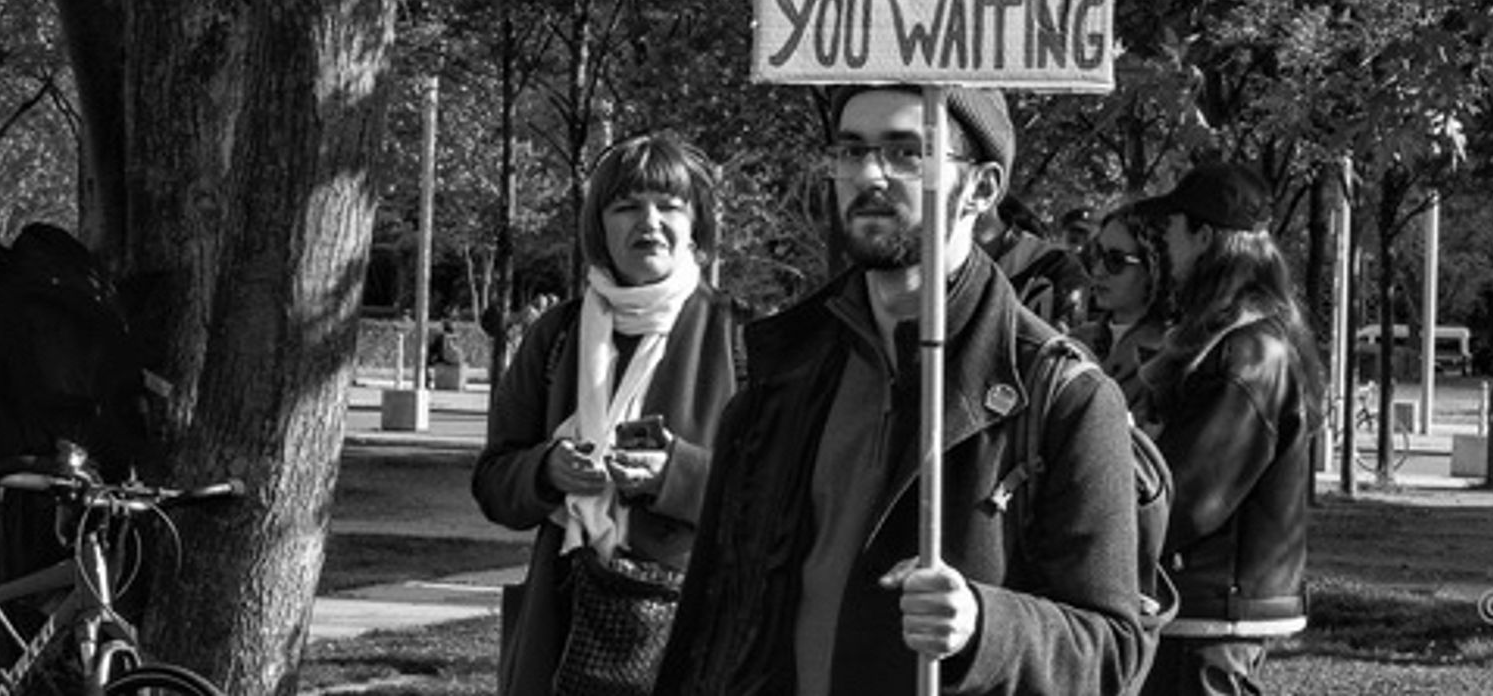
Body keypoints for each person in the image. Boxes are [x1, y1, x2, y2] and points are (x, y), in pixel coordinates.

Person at [655, 85, 1150, 696]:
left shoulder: (1062, 395)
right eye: (852, 150)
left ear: (984, 187)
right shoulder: (782, 370)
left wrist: (984, 625)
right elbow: (714, 615)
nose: (871, 174)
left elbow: (1112, 652)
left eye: (907, 153)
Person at [472, 131, 741, 696]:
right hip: (563, 624)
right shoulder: (555, 336)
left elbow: (778, 496)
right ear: (600, 227)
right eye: (626, 206)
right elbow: (494, 482)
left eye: (669, 205)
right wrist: (546, 471)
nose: (649, 221)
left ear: (697, 224)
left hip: (693, 625)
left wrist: (674, 475)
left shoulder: (740, 337)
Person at [1132, 163, 1319, 696]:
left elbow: (1190, 496)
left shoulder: (1249, 352)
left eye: (1171, 229)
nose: (1164, 244)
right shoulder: (1239, 338)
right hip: (1199, 606)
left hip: (1211, 611)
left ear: (1203, 237)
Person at [1071, 203, 1174, 407]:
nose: (1098, 271)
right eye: (1096, 254)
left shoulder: (1172, 356)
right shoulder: (1076, 342)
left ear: (1154, 268)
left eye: (1115, 261)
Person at [977, 193, 1090, 331]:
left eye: (1084, 234)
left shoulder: (1057, 268)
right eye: (1074, 232)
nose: (1078, 238)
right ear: (1063, 231)